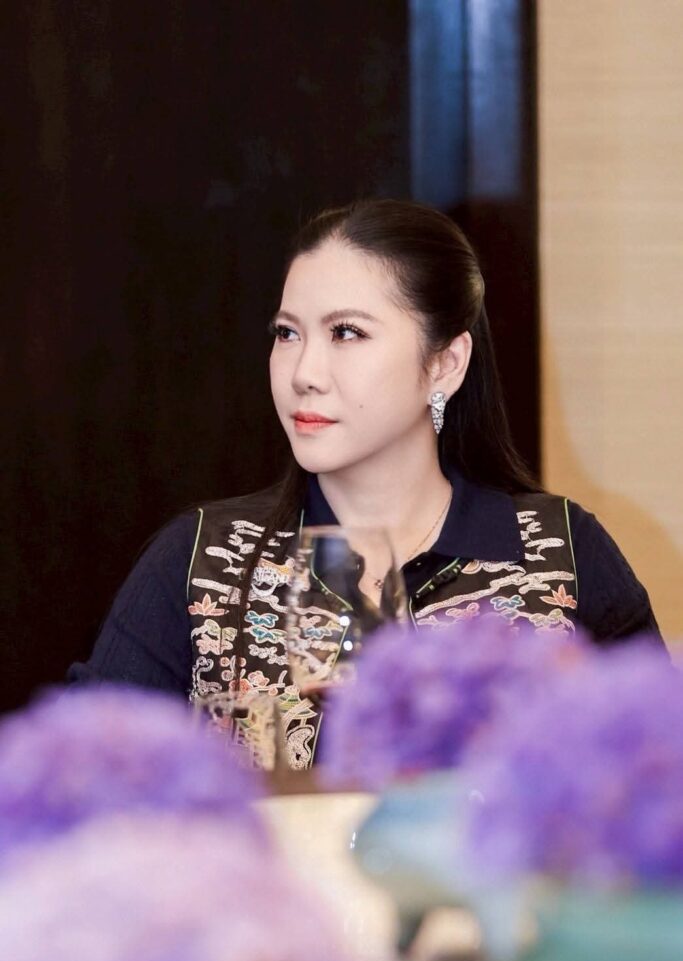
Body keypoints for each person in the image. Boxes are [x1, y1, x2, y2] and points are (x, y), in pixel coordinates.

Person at [69, 198, 663, 768]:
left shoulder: (558, 552)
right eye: (287, 333)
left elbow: (658, 779)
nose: (304, 373)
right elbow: (84, 785)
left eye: (347, 333)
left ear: (445, 363)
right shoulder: (204, 559)